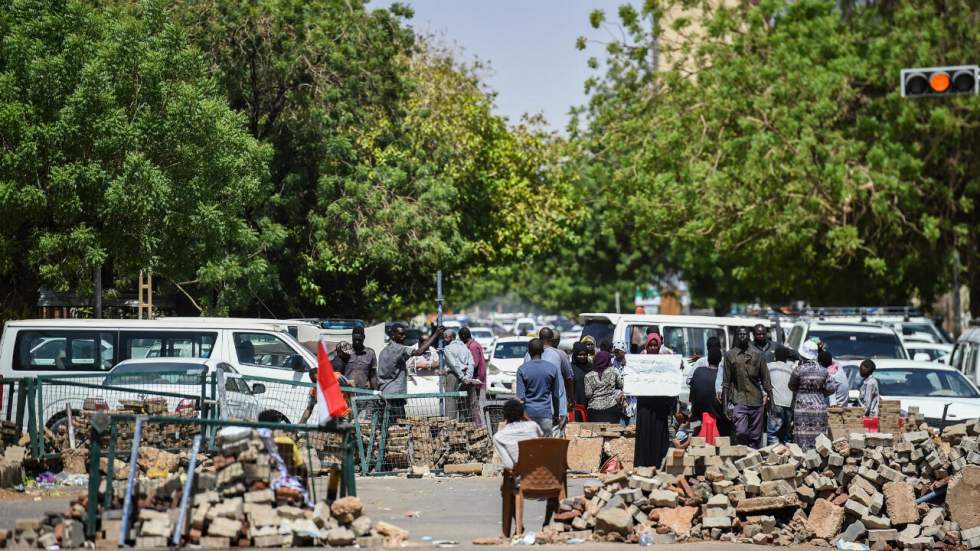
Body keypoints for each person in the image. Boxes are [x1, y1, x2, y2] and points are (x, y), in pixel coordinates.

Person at [494, 398, 549, 533]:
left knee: (504, 488)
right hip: (548, 479)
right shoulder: (533, 426)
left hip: (523, 482)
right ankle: (546, 524)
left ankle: (519, 527)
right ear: (522, 413)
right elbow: (541, 440)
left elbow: (508, 465)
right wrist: (527, 418)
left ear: (505, 416)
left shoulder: (499, 436)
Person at [378, 324, 445, 421]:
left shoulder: (383, 351)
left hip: (384, 394)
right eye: (401, 334)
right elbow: (418, 352)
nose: (404, 336)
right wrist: (436, 334)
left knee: (388, 426)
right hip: (395, 396)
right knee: (399, 428)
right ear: (393, 335)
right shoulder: (400, 349)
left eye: (404, 334)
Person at [633, 332, 678, 468]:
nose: (653, 348)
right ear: (647, 346)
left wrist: (676, 367)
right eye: (650, 345)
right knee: (645, 434)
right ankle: (643, 464)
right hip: (645, 406)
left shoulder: (666, 360)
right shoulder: (639, 360)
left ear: (659, 346)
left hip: (660, 405)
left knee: (659, 434)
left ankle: (658, 464)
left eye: (655, 345)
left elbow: (671, 379)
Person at [723, 327, 772, 449]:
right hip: (739, 399)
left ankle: (753, 463)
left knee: (756, 436)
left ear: (748, 336)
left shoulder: (758, 354)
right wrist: (725, 406)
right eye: (740, 334)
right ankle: (743, 454)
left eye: (745, 334)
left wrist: (772, 400)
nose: (742, 336)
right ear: (736, 336)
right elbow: (726, 383)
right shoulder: (730, 355)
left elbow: (766, 378)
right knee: (741, 432)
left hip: (756, 400)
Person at [789, 340, 836, 450]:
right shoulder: (824, 371)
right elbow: (831, 388)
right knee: (819, 438)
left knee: (802, 437)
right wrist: (820, 393)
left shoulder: (798, 370)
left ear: (803, 355)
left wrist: (801, 391)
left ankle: (803, 463)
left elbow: (791, 386)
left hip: (802, 408)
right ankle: (818, 463)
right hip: (819, 408)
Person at [516, 338, 567, 435]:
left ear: (529, 351)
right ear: (542, 351)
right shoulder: (551, 368)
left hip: (528, 416)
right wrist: (556, 415)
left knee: (530, 446)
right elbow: (555, 395)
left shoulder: (522, 370)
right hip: (546, 415)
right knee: (546, 447)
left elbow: (521, 399)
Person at [523, 327, 573, 418]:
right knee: (555, 432)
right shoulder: (560, 354)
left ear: (539, 338)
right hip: (557, 410)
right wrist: (570, 398)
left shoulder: (528, 355)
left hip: (534, 410)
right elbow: (568, 378)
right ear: (552, 339)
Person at [688, 346, 733, 437]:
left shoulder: (698, 371)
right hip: (720, 419)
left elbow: (692, 394)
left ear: (707, 359)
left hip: (699, 415)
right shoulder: (724, 376)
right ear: (720, 360)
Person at [766, 345, 797, 445]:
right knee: (786, 433)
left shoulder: (769, 366)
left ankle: (774, 456)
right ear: (786, 358)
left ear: (775, 357)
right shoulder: (791, 370)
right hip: (789, 404)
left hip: (776, 403)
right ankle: (787, 456)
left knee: (772, 434)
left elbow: (763, 382)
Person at [443, 329, 475, 421]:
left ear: (450, 337)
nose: (444, 339)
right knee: (464, 402)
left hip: (453, 376)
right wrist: (468, 377)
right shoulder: (464, 347)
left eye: (445, 337)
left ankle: (450, 427)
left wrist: (462, 377)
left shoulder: (447, 348)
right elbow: (471, 363)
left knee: (451, 402)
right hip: (465, 375)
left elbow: (453, 364)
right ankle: (463, 426)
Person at [583, 351, 624, 423]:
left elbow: (588, 394)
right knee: (613, 433)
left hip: (594, 410)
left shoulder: (588, 376)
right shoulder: (613, 371)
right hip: (611, 408)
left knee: (596, 433)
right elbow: (621, 385)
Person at [461, 327, 487, 426]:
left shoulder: (472, 346)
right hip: (477, 378)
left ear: (463, 336)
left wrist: (462, 367)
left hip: (476, 379)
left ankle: (478, 426)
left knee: (474, 405)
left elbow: (474, 364)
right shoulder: (474, 344)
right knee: (473, 404)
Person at [569, 343, 591, 414]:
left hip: (590, 403)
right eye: (580, 355)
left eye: (584, 355)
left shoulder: (591, 367)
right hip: (577, 402)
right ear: (575, 355)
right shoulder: (570, 368)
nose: (582, 357)